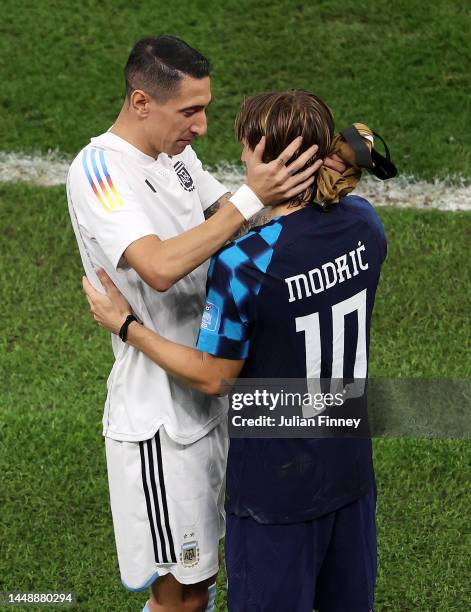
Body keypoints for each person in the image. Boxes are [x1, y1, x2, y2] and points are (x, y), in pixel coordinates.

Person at [83, 89, 387, 612]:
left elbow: (210, 375)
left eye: (246, 148)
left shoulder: (246, 263)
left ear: (262, 153)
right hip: (349, 469)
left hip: (276, 485)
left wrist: (128, 325)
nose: (241, 159)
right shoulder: (364, 225)